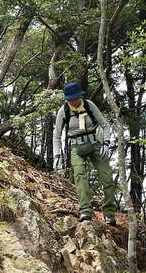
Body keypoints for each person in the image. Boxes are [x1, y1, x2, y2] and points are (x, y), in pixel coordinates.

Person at [53, 82, 117, 226]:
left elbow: (105, 125)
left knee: (106, 177)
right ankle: (85, 211)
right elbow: (56, 135)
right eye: (69, 99)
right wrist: (57, 156)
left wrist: (106, 143)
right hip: (76, 147)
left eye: (75, 98)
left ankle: (109, 213)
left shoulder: (89, 105)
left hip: (95, 144)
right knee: (80, 177)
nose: (73, 101)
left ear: (79, 96)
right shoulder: (63, 111)